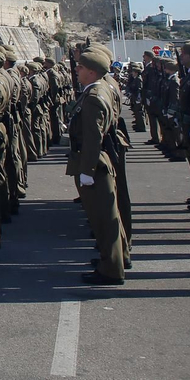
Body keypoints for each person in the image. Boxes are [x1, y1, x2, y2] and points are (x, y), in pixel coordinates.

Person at [68, 45, 125, 285]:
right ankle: (112, 261)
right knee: (107, 216)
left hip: (95, 162)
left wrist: (87, 170)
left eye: (80, 67)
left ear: (91, 72)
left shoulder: (93, 97)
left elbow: (93, 136)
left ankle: (111, 268)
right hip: (96, 160)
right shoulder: (97, 90)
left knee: (104, 219)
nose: (77, 71)